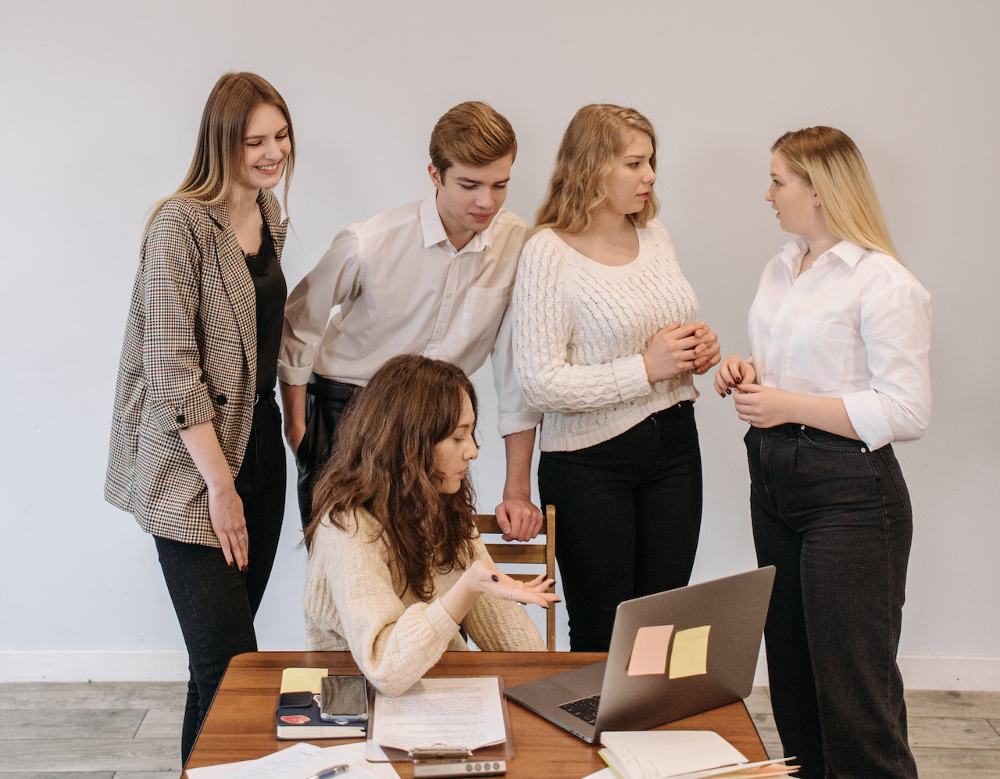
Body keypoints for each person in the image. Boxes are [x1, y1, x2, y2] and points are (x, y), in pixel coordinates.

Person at [714, 126, 931, 779]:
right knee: (793, 679)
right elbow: (803, 372)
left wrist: (788, 406)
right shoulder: (782, 266)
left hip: (850, 493)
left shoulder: (884, 283)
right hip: (774, 478)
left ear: (818, 187)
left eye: (778, 180)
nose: (768, 193)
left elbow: (907, 410)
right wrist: (745, 372)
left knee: (853, 689)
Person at [104, 72, 294, 762]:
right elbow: (173, 371)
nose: (273, 153)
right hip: (193, 466)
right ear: (222, 143)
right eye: (255, 141)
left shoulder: (269, 213)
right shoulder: (178, 226)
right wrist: (219, 487)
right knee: (227, 662)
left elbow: (269, 336)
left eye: (280, 136)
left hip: (259, 449)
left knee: (227, 668)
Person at [278, 101, 543, 542]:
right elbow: (298, 324)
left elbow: (515, 368)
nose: (487, 201)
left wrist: (517, 485)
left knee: (433, 577)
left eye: (500, 185)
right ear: (435, 175)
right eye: (469, 184)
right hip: (351, 414)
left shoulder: (520, 245)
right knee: (348, 578)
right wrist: (299, 430)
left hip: (442, 426)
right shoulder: (369, 243)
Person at [513, 104, 721, 652]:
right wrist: (645, 369)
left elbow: (661, 333)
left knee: (663, 624)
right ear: (592, 168)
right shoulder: (547, 253)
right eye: (635, 163)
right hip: (590, 465)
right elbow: (538, 382)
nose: (650, 176)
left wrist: (697, 349)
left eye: (651, 162)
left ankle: (648, 738)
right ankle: (598, 737)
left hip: (676, 447)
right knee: (604, 630)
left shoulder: (655, 237)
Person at [303, 354, 555, 696]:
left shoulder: (442, 505)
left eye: (471, 434)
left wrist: (547, 688)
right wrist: (466, 590)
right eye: (457, 438)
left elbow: (511, 641)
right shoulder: (348, 526)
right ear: (411, 444)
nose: (473, 451)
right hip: (362, 701)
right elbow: (386, 668)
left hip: (437, 694)